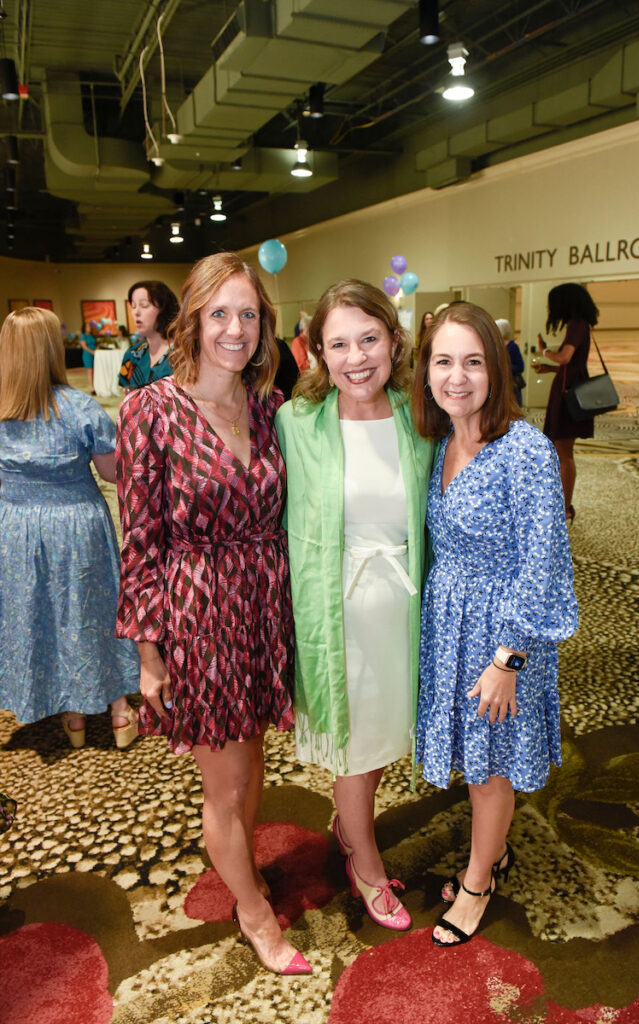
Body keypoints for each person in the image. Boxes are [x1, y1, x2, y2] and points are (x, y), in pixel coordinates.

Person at [115, 253, 309, 977]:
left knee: (251, 755)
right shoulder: (150, 411)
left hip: (263, 605)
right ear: (193, 319)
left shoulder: (267, 406)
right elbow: (139, 538)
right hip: (197, 613)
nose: (235, 329)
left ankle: (244, 872)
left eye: (249, 314)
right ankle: (253, 910)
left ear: (265, 326)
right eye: (220, 313)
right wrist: (148, 651)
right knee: (222, 781)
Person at [412, 302, 577, 949]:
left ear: (496, 371)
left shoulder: (526, 450)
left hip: (506, 634)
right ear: (426, 370)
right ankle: (495, 852)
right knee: (476, 758)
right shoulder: (442, 442)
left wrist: (508, 659)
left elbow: (544, 565)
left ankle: (478, 882)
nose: (457, 376)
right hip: (451, 621)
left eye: (473, 361)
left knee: (490, 767)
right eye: (444, 361)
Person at [276, 280, 433, 931]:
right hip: (335, 610)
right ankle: (363, 859)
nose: (355, 356)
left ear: (393, 340)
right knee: (356, 742)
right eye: (337, 343)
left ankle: (349, 822)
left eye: (368, 338)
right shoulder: (298, 422)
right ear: (316, 351)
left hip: (402, 603)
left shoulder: (417, 415)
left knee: (386, 735)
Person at [0, 307, 139, 749]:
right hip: (78, 523)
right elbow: (114, 474)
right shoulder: (79, 407)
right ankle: (119, 709)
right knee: (93, 611)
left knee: (39, 613)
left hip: (17, 528)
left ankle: (72, 713)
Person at [531, 282, 599, 522]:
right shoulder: (579, 325)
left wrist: (545, 351)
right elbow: (571, 365)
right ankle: (563, 503)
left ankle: (565, 507)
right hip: (567, 391)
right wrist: (550, 368)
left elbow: (566, 357)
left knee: (564, 452)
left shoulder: (577, 326)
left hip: (569, 397)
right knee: (561, 450)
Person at [118, 281, 179, 391]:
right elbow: (127, 397)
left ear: (163, 309)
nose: (136, 312)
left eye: (144, 305)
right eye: (133, 306)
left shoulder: (185, 354)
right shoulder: (133, 354)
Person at [495, 318, 525, 407]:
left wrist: (503, 368)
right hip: (499, 383)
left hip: (511, 385)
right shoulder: (496, 346)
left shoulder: (513, 347)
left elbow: (520, 367)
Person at [79, 321, 97, 394]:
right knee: (90, 371)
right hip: (88, 354)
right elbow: (84, 346)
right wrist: (92, 352)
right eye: (87, 326)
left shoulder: (92, 335)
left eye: (89, 326)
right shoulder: (83, 336)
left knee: (94, 371)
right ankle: (91, 387)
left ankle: (95, 385)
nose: (89, 328)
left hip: (95, 354)